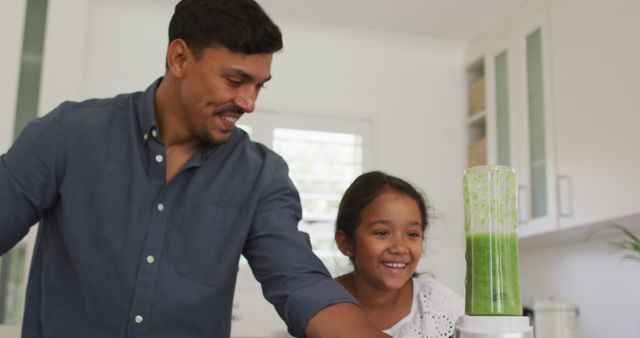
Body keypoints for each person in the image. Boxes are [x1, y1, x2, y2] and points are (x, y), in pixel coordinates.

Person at [0, 0, 390, 337]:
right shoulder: (69, 134)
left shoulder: (261, 176)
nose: (249, 102)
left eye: (259, 85)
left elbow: (301, 283)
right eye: (235, 80)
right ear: (180, 58)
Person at [334, 171, 464, 338]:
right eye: (382, 233)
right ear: (346, 243)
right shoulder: (318, 305)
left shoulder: (442, 308)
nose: (400, 248)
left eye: (412, 234)